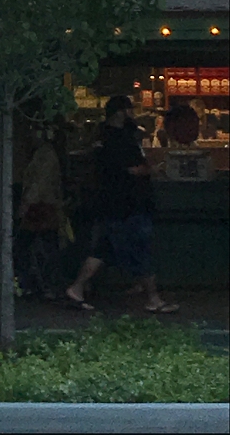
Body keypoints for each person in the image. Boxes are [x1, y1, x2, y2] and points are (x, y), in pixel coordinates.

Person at [66, 95, 177, 314]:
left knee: (104, 249)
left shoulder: (103, 137)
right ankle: (152, 297)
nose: (133, 114)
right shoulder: (120, 140)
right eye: (130, 110)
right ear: (120, 112)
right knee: (140, 249)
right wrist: (153, 169)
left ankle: (77, 288)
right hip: (128, 204)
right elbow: (132, 169)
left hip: (112, 202)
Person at [15, 126, 64, 299]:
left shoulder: (45, 156)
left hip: (41, 207)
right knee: (45, 246)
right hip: (43, 206)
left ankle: (36, 284)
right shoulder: (43, 154)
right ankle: (44, 285)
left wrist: (26, 203)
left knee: (29, 246)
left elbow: (40, 184)